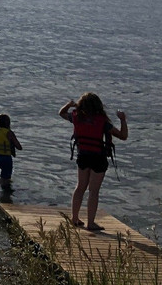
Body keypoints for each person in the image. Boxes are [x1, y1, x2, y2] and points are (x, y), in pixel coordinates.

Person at [58, 92, 128, 231]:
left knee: (80, 187)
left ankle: (75, 218)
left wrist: (70, 104)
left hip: (83, 156)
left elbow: (61, 113)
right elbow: (123, 136)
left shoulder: (76, 117)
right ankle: (91, 223)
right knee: (93, 191)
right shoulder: (103, 121)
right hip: (98, 158)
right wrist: (122, 120)